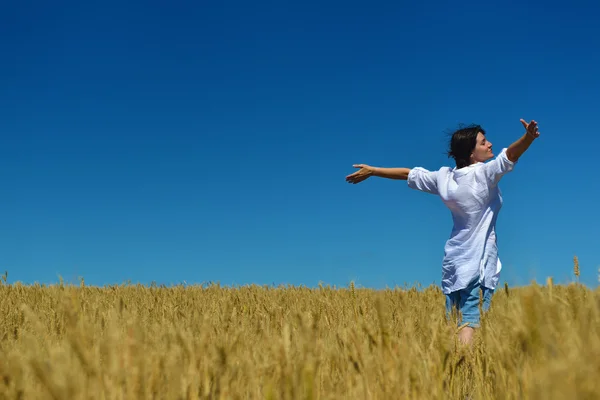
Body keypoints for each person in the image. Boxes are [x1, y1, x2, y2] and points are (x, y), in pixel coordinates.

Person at [345, 119, 540, 345]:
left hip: (454, 264)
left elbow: (408, 174)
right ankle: (463, 369)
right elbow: (510, 156)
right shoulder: (484, 174)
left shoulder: (444, 178)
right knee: (470, 323)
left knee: (453, 323)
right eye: (483, 142)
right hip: (478, 263)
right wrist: (528, 138)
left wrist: (373, 170)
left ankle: (447, 371)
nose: (490, 144)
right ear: (471, 153)